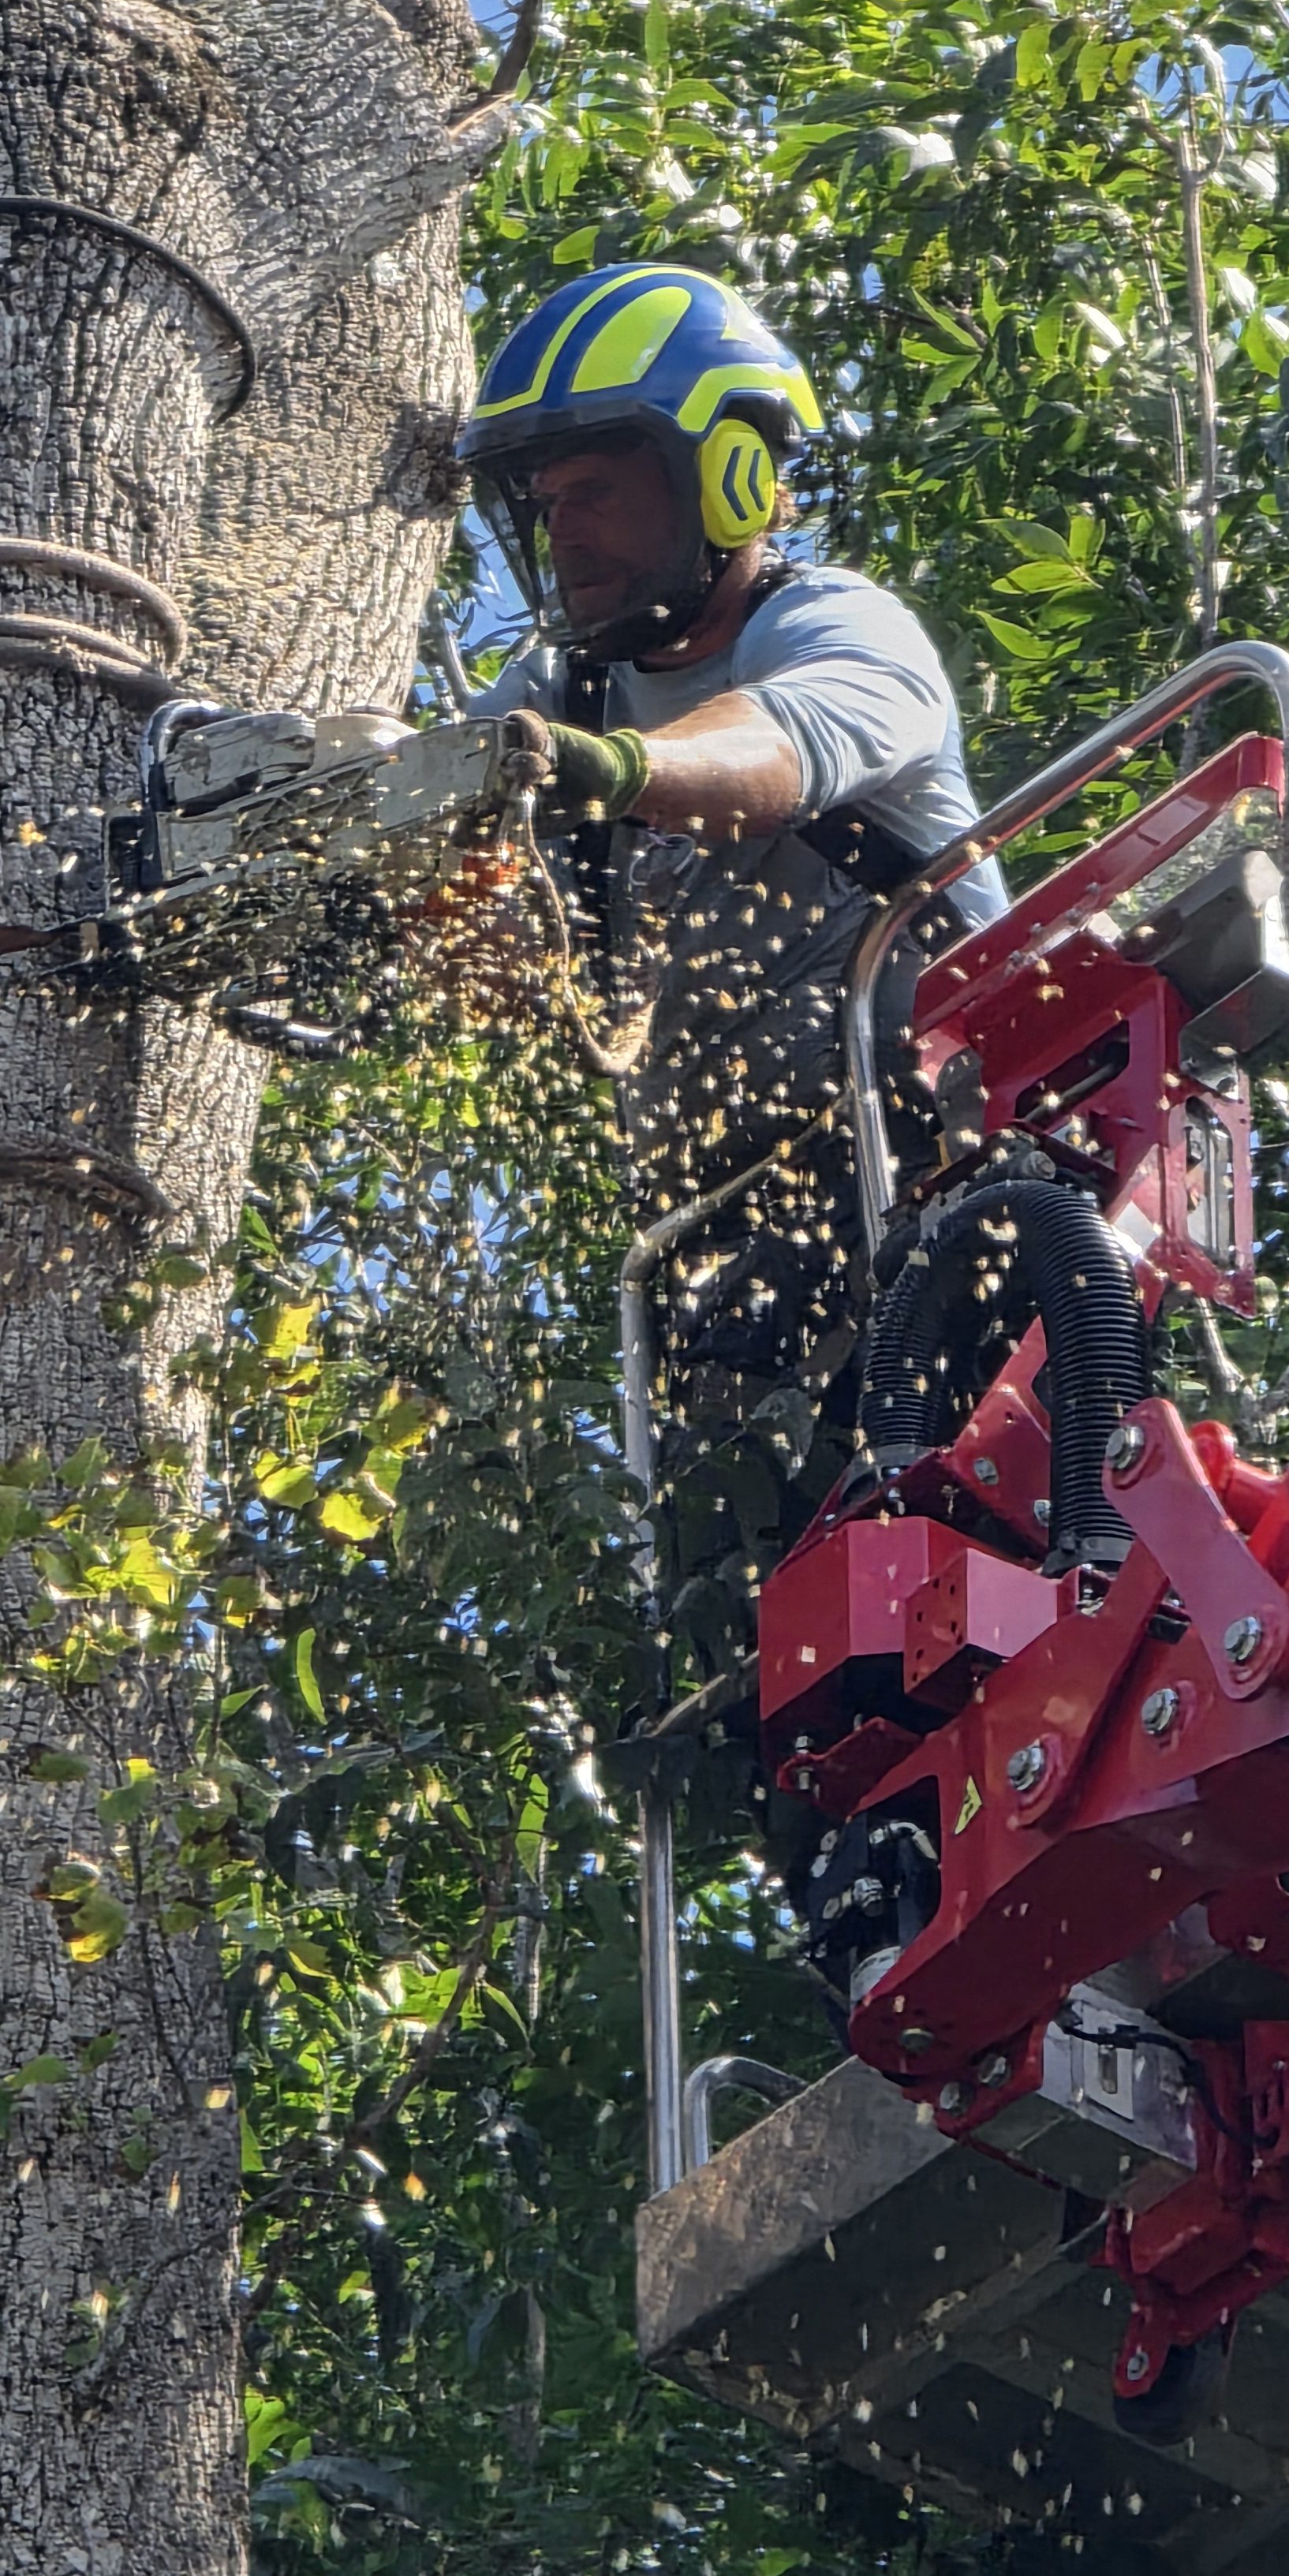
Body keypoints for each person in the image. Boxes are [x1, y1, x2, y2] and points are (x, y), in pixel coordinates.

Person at [453, 263, 1007, 1670]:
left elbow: (775, 755)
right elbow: (459, 883)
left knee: (988, 1582)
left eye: (601, 490)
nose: (564, 531)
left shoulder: (834, 631)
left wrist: (612, 771)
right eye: (547, 499)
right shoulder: (552, 693)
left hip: (944, 1198)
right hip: (725, 1266)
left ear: (729, 473)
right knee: (772, 1678)